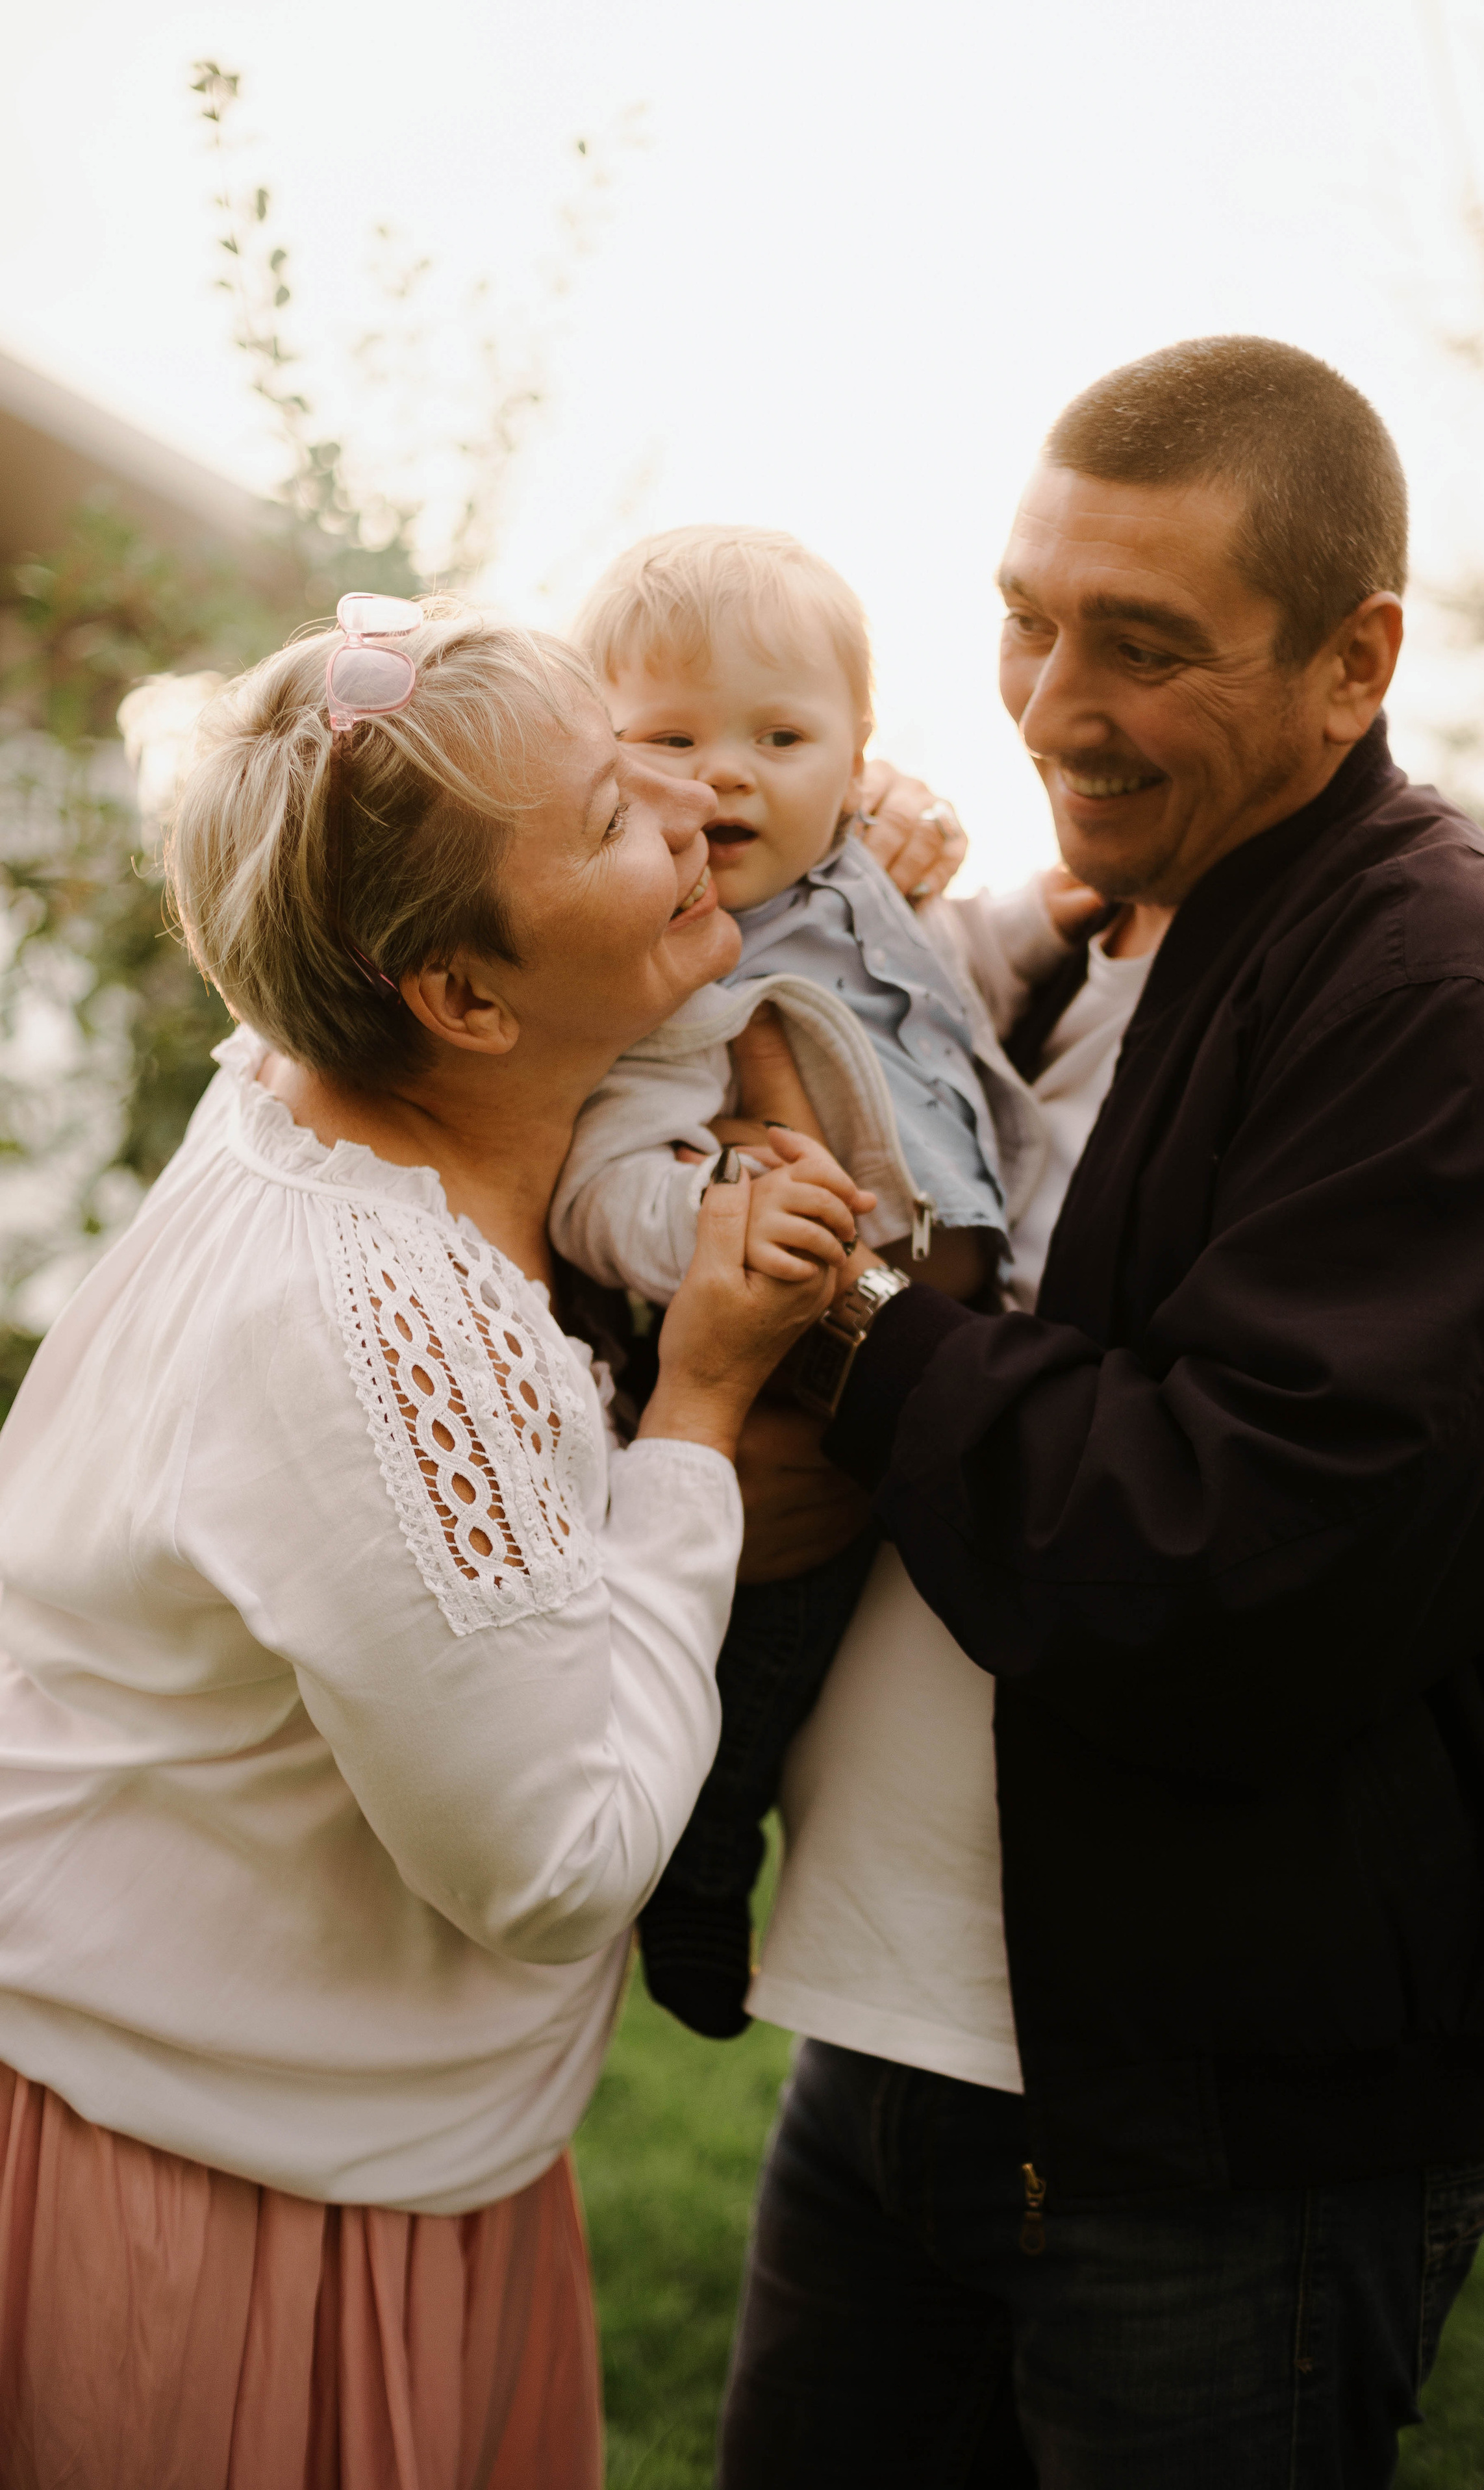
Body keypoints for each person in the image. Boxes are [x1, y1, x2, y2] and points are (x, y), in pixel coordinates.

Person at [718, 337, 1484, 2489]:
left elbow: (1210, 1546)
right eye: (1030, 619)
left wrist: (838, 1318)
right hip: (892, 2053)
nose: (1054, 700)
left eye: (1141, 645)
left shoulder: (1437, 990)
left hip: (1207, 2133)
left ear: (1357, 660)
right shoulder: (1087, 936)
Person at [0, 592, 889, 2488]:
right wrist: (701, 1412)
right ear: (466, 1000)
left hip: (291, 2139)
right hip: (231, 2210)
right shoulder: (385, 1327)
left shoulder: (285, 1091)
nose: (683, 802)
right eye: (604, 814)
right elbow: (556, 1859)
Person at [551, 526, 1092, 2037]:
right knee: (768, 1631)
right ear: (601, 754)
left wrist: (1033, 926)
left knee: (865, 1631)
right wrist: (715, 1210)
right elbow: (601, 1187)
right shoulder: (671, 961)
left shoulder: (872, 892)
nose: (725, 775)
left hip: (933, 1335)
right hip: (793, 1341)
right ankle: (696, 1876)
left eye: (778, 738)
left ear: (857, 756)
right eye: (670, 738)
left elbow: (935, 1011)